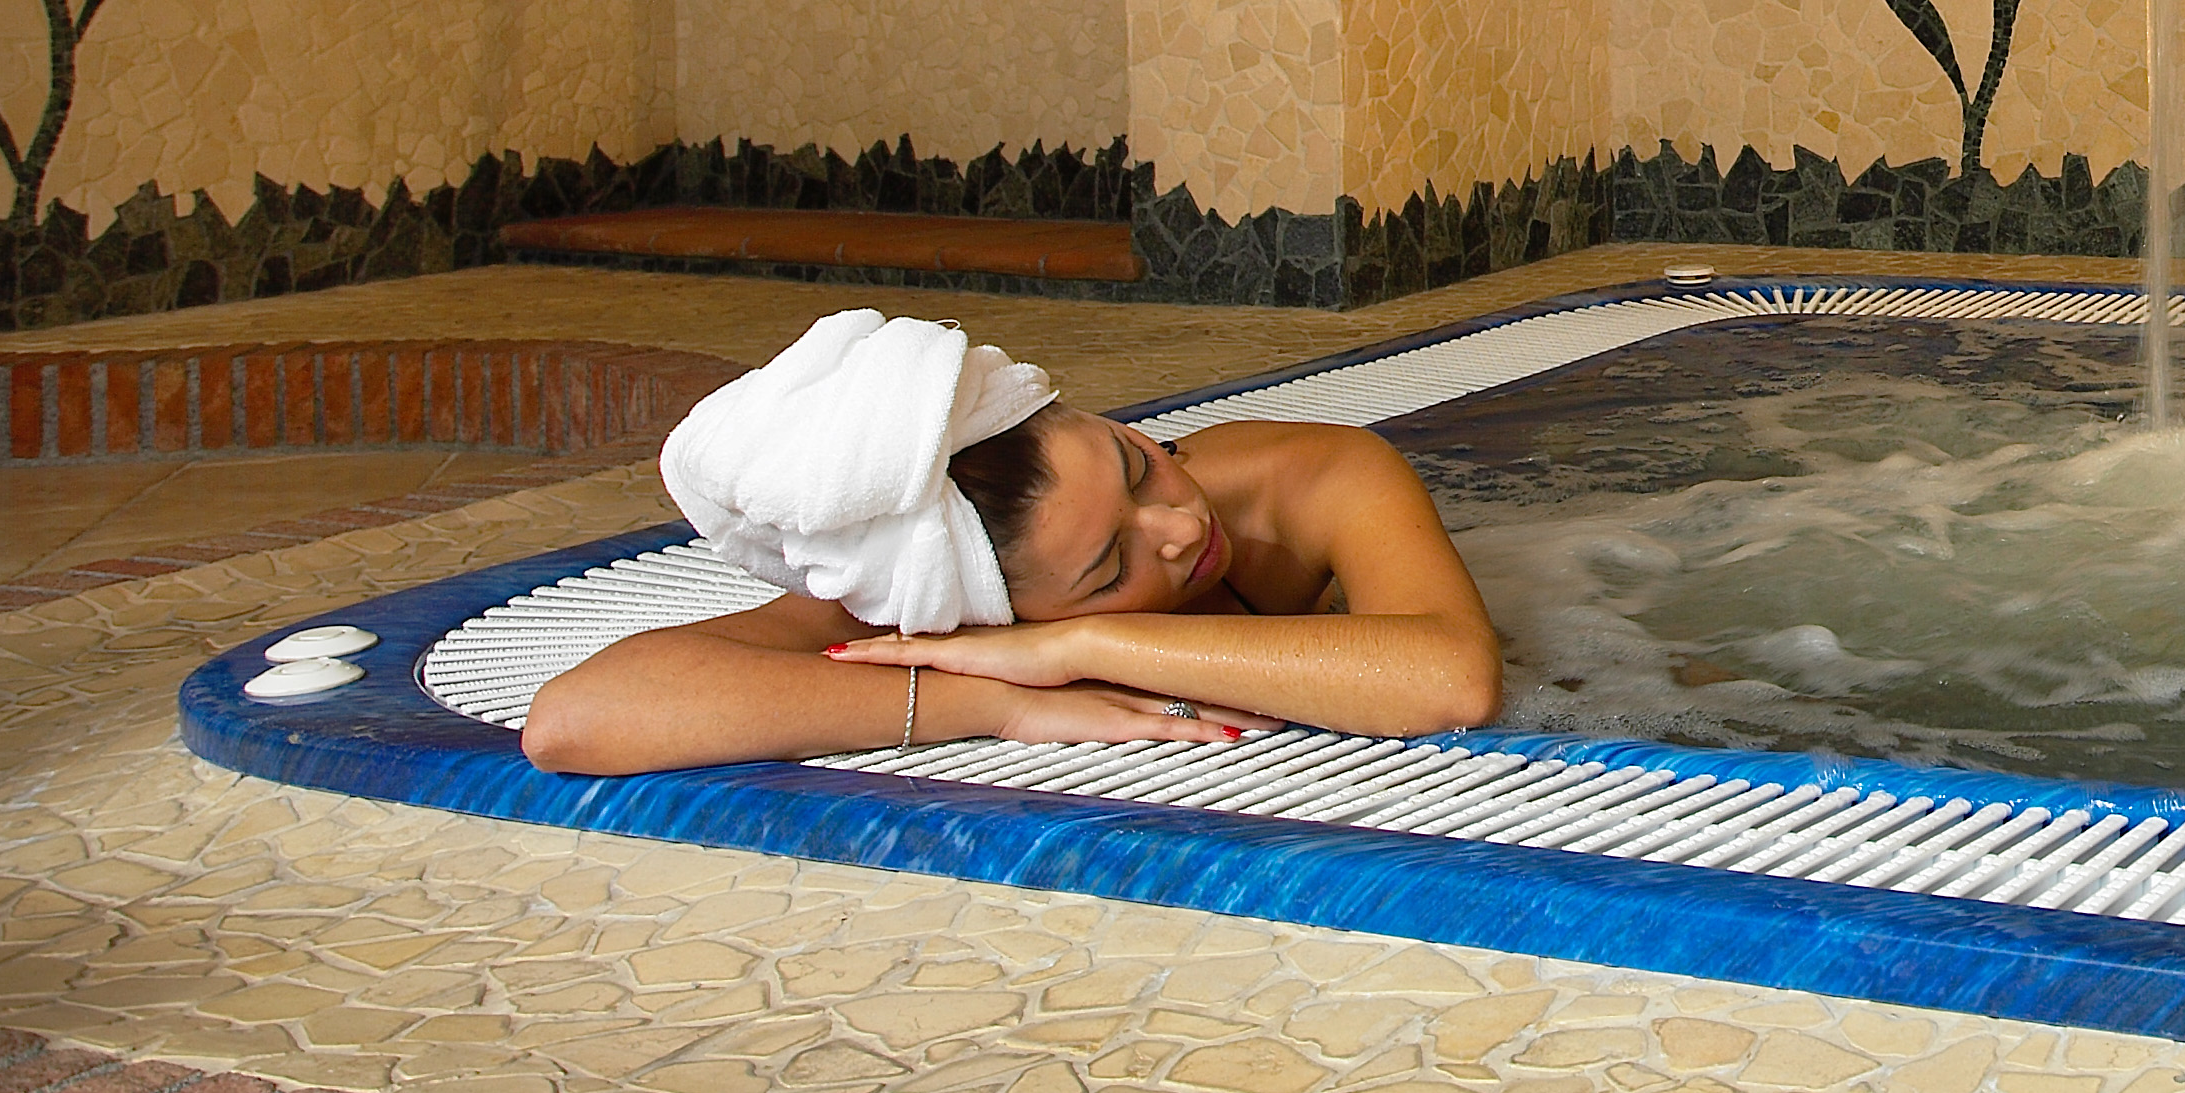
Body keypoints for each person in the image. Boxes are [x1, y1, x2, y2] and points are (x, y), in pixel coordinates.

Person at [519, 310, 1502, 776]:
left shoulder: (1307, 479)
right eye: (1110, 569)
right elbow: (576, 719)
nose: (1181, 526)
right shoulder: (946, 598)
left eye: (1135, 464)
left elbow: (1450, 678)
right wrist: (995, 700)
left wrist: (1084, 641)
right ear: (987, 611)